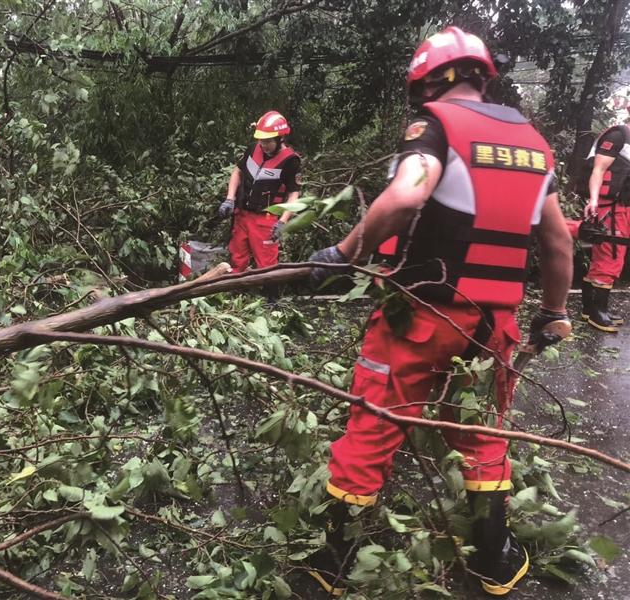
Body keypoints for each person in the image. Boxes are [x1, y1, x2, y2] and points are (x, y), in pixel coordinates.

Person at [306, 27, 573, 596]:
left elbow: (406, 196)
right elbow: (557, 244)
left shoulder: (434, 126)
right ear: (483, 76)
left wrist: (345, 253)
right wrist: (552, 313)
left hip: (421, 314)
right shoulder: (535, 143)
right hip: (493, 322)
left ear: (426, 82)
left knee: (376, 423)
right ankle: (494, 559)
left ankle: (333, 558)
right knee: (480, 430)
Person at [218, 111, 301, 280]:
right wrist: (230, 198)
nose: (263, 145)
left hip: (266, 219)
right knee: (237, 258)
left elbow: (294, 193)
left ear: (280, 139)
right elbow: (237, 171)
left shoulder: (290, 161)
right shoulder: (253, 149)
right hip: (242, 214)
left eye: (268, 141)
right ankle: (233, 292)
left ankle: (272, 300)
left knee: (267, 264)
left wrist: (283, 222)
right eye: (261, 140)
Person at [580, 112, 630, 332]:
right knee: (610, 254)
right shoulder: (619, 135)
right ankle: (597, 311)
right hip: (609, 206)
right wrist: (592, 200)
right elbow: (598, 170)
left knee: (610, 255)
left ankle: (590, 308)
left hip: (624, 205)